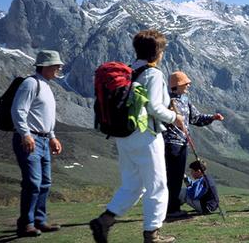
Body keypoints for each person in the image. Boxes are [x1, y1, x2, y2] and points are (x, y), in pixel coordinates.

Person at [90, 30, 184, 243]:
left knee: (133, 184)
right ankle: (152, 234)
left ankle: (105, 220)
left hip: (124, 135)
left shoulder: (129, 70)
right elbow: (154, 107)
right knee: (157, 185)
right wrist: (174, 117)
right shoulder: (154, 74)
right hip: (146, 136)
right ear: (158, 51)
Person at [11, 50, 64, 237]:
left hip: (42, 139)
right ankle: (26, 223)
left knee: (45, 183)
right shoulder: (31, 83)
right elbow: (18, 110)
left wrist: (52, 137)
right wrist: (25, 134)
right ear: (46, 66)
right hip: (30, 139)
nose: (59, 68)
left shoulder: (46, 86)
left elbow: (44, 117)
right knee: (33, 182)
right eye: (56, 65)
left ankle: (39, 221)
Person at [163, 71, 224, 218]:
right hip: (171, 144)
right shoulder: (166, 101)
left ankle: (171, 207)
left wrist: (212, 118)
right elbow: (160, 120)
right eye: (186, 83)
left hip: (183, 143)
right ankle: (171, 209)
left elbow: (196, 118)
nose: (189, 85)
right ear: (177, 85)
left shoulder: (185, 100)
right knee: (173, 177)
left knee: (176, 176)